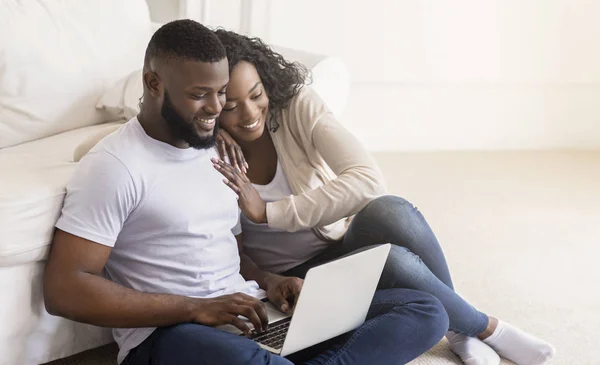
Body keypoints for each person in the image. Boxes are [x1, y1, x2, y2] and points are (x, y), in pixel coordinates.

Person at [43, 20, 450, 365]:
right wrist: (195, 308)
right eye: (200, 95)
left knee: (424, 310)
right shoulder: (115, 167)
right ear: (153, 83)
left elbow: (229, 250)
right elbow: (65, 289)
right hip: (171, 333)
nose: (216, 109)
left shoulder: (217, 151)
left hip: (253, 315)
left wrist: (270, 280)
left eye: (221, 93)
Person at [211, 29, 556, 365]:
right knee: (393, 261)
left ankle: (464, 330)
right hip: (292, 283)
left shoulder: (295, 107)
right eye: (232, 106)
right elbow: (229, 250)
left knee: (390, 211)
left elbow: (367, 180)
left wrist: (269, 212)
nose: (250, 113)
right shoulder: (207, 153)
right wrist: (268, 279)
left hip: (336, 244)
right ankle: (485, 327)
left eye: (256, 95)